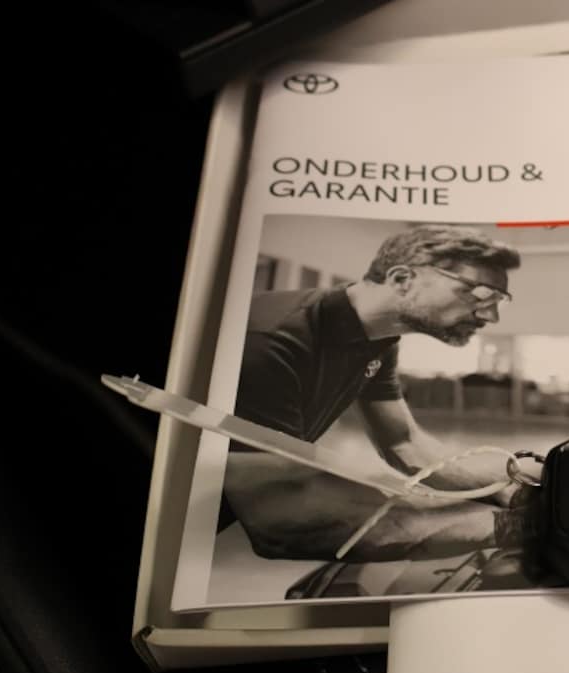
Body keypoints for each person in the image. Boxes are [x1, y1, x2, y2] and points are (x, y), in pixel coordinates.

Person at [222, 223, 537, 564]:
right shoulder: (271, 340)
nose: (490, 315)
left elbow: (405, 443)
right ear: (402, 279)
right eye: (480, 294)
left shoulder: (379, 340)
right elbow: (281, 514)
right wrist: (519, 527)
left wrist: (513, 490)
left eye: (499, 301)